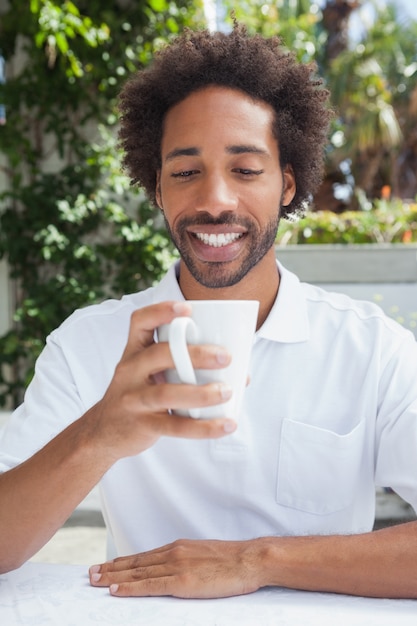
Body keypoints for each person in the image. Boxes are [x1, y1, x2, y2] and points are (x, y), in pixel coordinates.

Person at [1, 22, 417, 600]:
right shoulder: (88, 344)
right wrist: (97, 434)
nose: (215, 200)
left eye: (246, 170)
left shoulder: (374, 349)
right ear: (158, 189)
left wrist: (257, 560)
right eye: (185, 172)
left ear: (288, 185)